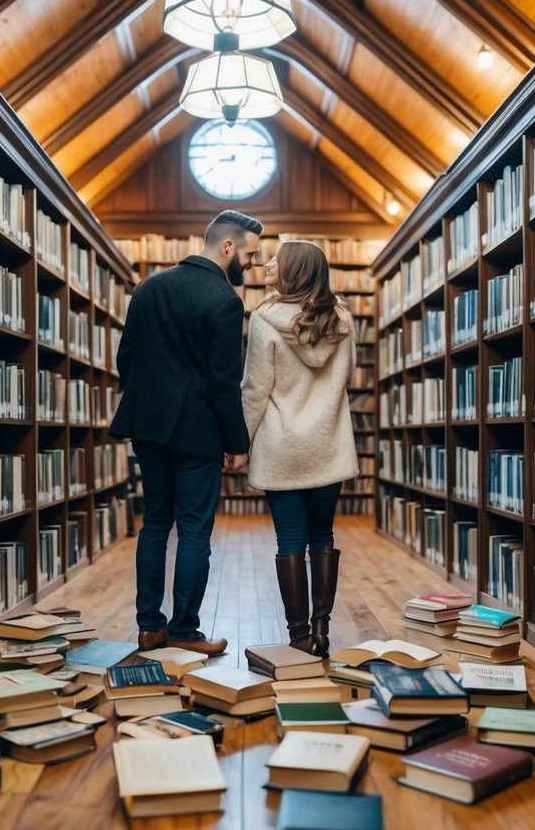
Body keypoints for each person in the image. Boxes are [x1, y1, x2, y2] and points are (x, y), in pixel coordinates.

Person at [110, 209, 264, 656]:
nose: (251, 265)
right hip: (197, 432)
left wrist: (148, 402)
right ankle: (184, 632)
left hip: (149, 427)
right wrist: (238, 442)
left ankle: (148, 627)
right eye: (250, 255)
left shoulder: (149, 287)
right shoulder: (223, 300)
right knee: (195, 529)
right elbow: (223, 382)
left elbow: (127, 358)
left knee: (155, 522)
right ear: (228, 246)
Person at [240, 240, 357, 657]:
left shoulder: (265, 318)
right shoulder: (342, 318)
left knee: (289, 539)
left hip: (281, 444)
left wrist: (242, 441)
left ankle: (299, 637)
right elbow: (347, 376)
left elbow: (256, 388)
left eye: (277, 259)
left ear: (294, 271)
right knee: (322, 534)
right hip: (327, 441)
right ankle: (323, 632)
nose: (268, 264)